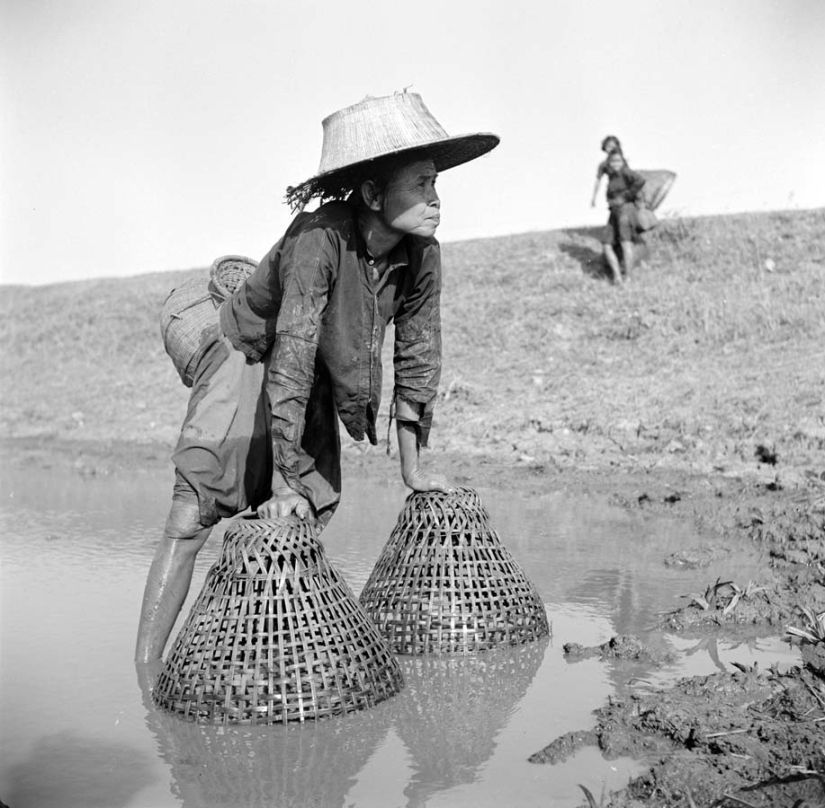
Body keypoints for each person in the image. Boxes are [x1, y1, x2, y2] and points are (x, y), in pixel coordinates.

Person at [135, 92, 500, 664]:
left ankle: (256, 656)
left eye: (436, 183)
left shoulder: (422, 254)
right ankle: (146, 676)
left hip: (307, 376)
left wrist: (414, 468)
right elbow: (291, 358)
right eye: (422, 184)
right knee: (191, 518)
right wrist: (282, 481)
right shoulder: (318, 238)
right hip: (248, 355)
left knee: (303, 516)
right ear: (374, 194)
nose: (435, 199)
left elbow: (418, 358)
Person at [599, 150, 646, 284]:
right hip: (614, 211)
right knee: (607, 245)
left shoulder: (626, 172)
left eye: (618, 161)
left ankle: (628, 277)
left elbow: (640, 180)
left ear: (623, 161)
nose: (615, 164)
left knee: (626, 243)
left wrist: (626, 196)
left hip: (626, 210)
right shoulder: (612, 176)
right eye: (613, 161)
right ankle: (617, 277)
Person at [591, 135, 623, 208]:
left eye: (613, 146)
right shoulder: (603, 165)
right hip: (614, 193)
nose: (611, 149)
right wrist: (594, 197)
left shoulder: (622, 161)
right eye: (609, 146)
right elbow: (598, 181)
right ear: (605, 148)